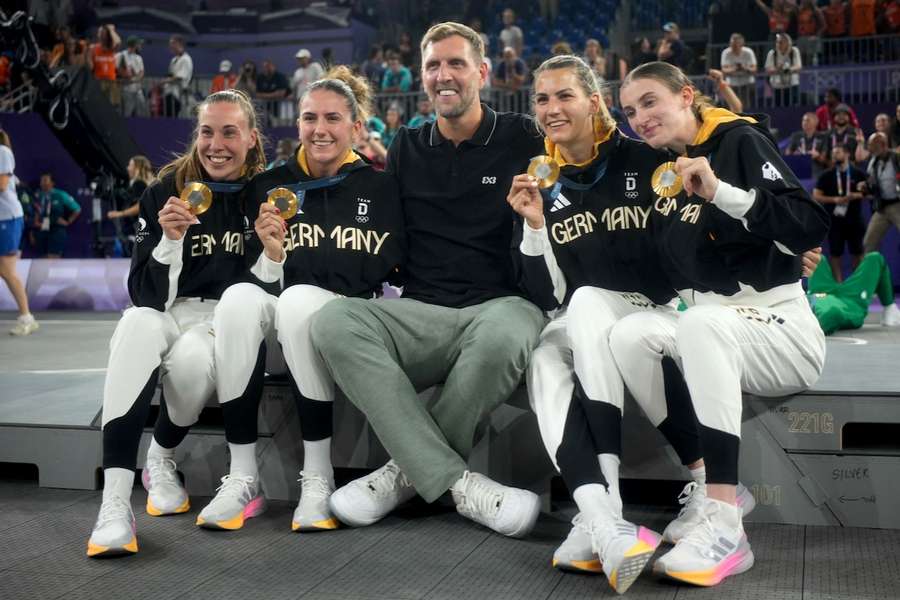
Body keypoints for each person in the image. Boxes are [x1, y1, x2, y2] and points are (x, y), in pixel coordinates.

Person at [309, 22, 546, 538]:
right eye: (434, 65)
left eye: (456, 63)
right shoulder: (408, 144)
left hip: (503, 304)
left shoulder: (524, 136)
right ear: (422, 75)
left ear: (482, 72)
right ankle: (458, 484)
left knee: (505, 335)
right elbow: (386, 237)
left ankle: (404, 475)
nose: (444, 75)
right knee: (332, 319)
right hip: (422, 312)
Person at [613, 61, 828, 587]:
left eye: (649, 101)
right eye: (629, 110)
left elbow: (809, 225)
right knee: (629, 335)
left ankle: (727, 525)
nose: (639, 117)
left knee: (703, 324)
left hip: (781, 327)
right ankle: (707, 483)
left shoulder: (737, 141)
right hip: (713, 324)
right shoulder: (663, 172)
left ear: (686, 95)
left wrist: (723, 195)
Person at [506, 54, 701, 594]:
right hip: (587, 318)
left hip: (657, 313)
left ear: (594, 102)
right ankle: (601, 516)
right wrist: (533, 230)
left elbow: (698, 228)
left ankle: (604, 505)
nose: (551, 109)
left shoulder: (647, 158)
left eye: (564, 96)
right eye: (542, 99)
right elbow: (548, 295)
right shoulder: (539, 181)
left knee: (588, 301)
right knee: (546, 349)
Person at [203, 67, 405, 532]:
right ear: (297, 125)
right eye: (309, 118)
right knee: (237, 299)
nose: (319, 129)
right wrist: (272, 257)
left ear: (356, 128)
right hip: (284, 327)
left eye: (333, 118)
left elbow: (398, 269)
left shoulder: (381, 188)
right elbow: (255, 279)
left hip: (350, 326)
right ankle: (241, 475)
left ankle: (318, 475)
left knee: (297, 301)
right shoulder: (267, 188)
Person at [86, 89, 266, 557]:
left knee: (189, 362)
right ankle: (113, 507)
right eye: (207, 131)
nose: (216, 144)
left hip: (226, 321)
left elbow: (263, 292)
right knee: (136, 325)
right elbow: (146, 297)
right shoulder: (164, 192)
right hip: (169, 309)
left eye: (230, 132)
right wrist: (169, 241)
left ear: (251, 138)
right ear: (196, 135)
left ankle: (160, 457)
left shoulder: (267, 196)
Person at [0, 129, 38, 336]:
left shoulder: (3, 152)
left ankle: (26, 317)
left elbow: (2, 184)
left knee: (7, 270)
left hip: (7, 218)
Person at [808, 251, 900, 334]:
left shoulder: (808, 307)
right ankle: (890, 309)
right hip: (852, 303)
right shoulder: (830, 313)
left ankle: (890, 309)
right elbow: (831, 316)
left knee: (816, 257)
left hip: (821, 293)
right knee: (875, 258)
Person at [813, 144, 867, 280]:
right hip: (834, 220)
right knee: (835, 253)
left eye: (838, 152)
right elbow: (816, 195)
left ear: (847, 154)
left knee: (857, 252)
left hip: (854, 219)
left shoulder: (858, 173)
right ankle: (838, 284)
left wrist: (855, 195)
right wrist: (835, 199)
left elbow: (869, 192)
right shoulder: (826, 175)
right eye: (833, 153)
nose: (835, 155)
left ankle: (856, 284)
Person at [860, 132, 900, 256]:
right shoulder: (873, 161)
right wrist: (865, 186)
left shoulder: (897, 157)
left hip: (898, 205)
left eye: (871, 144)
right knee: (868, 243)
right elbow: (871, 184)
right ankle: (871, 274)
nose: (869, 147)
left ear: (882, 144)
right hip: (882, 208)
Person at [107, 155, 154, 255]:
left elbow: (140, 206)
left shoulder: (139, 184)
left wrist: (119, 214)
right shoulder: (141, 184)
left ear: (137, 168)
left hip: (138, 229)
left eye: (130, 165)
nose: (127, 168)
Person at [33, 173, 80, 258]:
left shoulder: (60, 195)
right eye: (41, 181)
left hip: (56, 229)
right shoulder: (38, 195)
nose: (42, 183)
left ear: (52, 183)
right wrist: (36, 222)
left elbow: (77, 209)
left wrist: (68, 221)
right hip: (42, 229)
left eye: (45, 180)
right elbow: (37, 210)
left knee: (53, 258)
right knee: (42, 258)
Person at [785, 112, 831, 179]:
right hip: (799, 169)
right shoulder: (796, 136)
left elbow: (825, 159)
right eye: (803, 120)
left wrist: (817, 156)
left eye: (807, 120)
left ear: (815, 123)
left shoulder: (823, 137)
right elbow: (787, 154)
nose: (804, 122)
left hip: (816, 170)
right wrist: (793, 155)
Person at [720, 33, 757, 109]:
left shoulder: (749, 52)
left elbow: (754, 69)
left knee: (746, 109)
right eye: (731, 44)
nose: (733, 46)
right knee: (732, 108)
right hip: (731, 85)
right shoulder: (726, 53)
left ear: (741, 44)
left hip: (746, 85)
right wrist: (735, 68)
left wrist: (744, 68)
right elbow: (724, 70)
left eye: (736, 44)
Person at [88, 24, 121, 107]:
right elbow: (90, 67)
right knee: (97, 106)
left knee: (112, 107)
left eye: (105, 33)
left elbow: (118, 42)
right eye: (101, 32)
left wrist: (111, 30)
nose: (102, 34)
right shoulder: (93, 48)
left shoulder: (111, 48)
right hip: (98, 81)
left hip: (111, 81)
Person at [765, 33, 801, 107]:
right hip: (777, 87)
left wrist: (788, 69)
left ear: (787, 43)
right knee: (777, 108)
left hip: (792, 85)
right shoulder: (772, 53)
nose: (778, 44)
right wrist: (778, 68)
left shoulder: (794, 51)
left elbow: (798, 66)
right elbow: (768, 69)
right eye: (777, 42)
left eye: (781, 42)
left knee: (793, 108)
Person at [162, 35, 192, 117]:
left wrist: (164, 81)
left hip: (178, 94)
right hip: (169, 93)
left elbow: (180, 77)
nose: (170, 46)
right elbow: (171, 74)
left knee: (175, 117)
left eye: (172, 43)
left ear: (179, 44)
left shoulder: (186, 59)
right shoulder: (174, 60)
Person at [117, 36, 146, 117]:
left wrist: (136, 79)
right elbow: (117, 69)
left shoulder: (139, 58)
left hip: (137, 88)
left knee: (142, 108)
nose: (140, 46)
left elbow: (142, 72)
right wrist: (125, 75)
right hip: (126, 89)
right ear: (134, 45)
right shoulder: (121, 55)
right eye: (139, 44)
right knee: (127, 111)